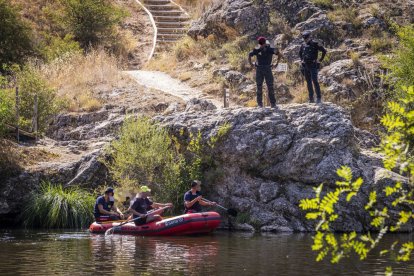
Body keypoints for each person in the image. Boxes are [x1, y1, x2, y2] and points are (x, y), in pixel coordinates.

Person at [248, 37, 283, 108]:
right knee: (259, 87)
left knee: (270, 86)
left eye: (261, 43)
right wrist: (251, 65)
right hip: (259, 69)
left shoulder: (270, 49)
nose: (260, 45)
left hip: (267, 69)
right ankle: (259, 104)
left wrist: (276, 63)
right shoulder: (257, 49)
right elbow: (249, 55)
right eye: (259, 43)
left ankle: (273, 104)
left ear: (264, 43)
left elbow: (279, 54)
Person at [299, 31, 327, 104]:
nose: (305, 40)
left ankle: (318, 97)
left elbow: (324, 51)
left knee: (315, 81)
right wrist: (302, 60)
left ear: (309, 37)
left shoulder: (315, 44)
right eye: (304, 39)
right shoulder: (303, 45)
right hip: (305, 66)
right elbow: (300, 53)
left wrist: (320, 60)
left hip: (313, 65)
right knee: (308, 82)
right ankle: (311, 98)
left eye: (306, 39)